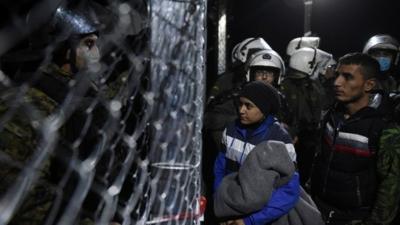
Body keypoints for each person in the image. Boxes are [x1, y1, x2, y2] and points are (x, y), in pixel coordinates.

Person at [310, 52, 400, 225]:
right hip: (319, 210)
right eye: (337, 75)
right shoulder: (332, 113)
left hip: (354, 218)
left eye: (348, 77)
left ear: (369, 84)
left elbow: (391, 186)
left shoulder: (383, 127)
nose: (337, 82)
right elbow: (319, 157)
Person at [213, 81, 298, 225]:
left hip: (260, 217)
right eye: (240, 104)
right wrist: (221, 202)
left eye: (248, 106)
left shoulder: (280, 139)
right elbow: (220, 168)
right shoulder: (231, 129)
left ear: (264, 109)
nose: (241, 110)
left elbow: (288, 190)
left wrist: (250, 221)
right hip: (228, 210)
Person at [279, 47, 330, 185]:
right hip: (296, 140)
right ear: (308, 66)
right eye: (318, 66)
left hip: (308, 140)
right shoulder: (290, 85)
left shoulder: (311, 85)